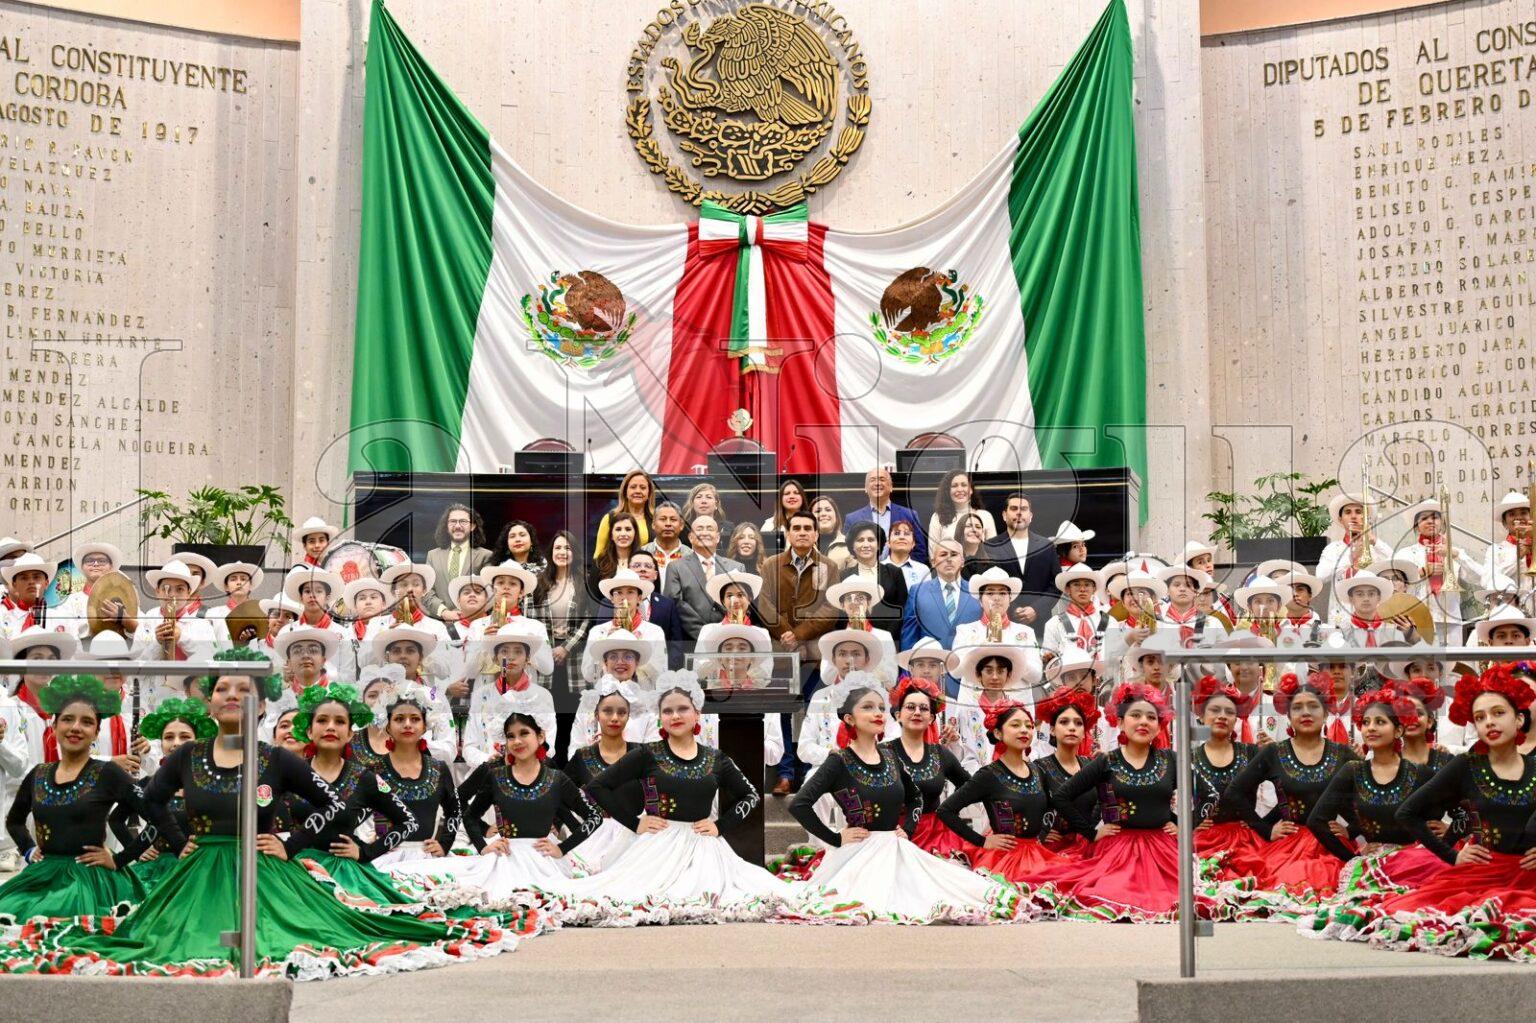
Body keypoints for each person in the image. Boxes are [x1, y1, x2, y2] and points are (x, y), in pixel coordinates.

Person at [5, 652, 525, 978]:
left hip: (265, 872)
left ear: (258, 704)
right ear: (210, 703)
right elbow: (151, 802)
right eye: (222, 689)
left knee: (296, 939)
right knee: (170, 943)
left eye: (242, 690)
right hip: (198, 874)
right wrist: (175, 837)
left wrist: (292, 843)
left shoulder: (278, 759)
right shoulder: (186, 757)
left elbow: (330, 805)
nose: (232, 696)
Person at [1320, 665, 1536, 959]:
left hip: (1529, 875)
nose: (1489, 722)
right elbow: (1408, 813)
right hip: (1481, 872)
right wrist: (1452, 854)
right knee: (1423, 918)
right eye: (1480, 717)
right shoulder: (1466, 766)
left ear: (1519, 718)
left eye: (1499, 713)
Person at [533, 675, 786, 924]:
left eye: (682, 709)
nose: (675, 716)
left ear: (697, 714)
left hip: (704, 847)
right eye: (668, 711)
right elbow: (598, 786)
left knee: (725, 895)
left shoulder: (716, 758)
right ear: (660, 718)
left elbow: (751, 795)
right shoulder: (648, 754)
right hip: (657, 845)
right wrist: (634, 823)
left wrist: (720, 826)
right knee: (627, 895)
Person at [782, 681, 1019, 924]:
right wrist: (835, 838)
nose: (877, 713)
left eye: (880, 707)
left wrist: (907, 830)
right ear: (849, 719)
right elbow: (798, 804)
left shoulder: (889, 756)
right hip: (859, 849)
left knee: (950, 890)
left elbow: (915, 795)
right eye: (867, 707)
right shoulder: (839, 760)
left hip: (896, 844)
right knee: (867, 900)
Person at [1015, 683, 1190, 921]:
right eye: (1135, 715)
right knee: (1111, 893)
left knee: (1183, 897)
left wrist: (1181, 823)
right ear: (1119, 722)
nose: (1144, 722)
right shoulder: (1107, 761)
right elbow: (1061, 797)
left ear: (1159, 726)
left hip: (1163, 847)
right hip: (1118, 847)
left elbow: (1206, 794)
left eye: (1151, 717)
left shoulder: (1170, 759)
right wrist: (1090, 833)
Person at [396, 713, 601, 907]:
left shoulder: (556, 778)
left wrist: (562, 848)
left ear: (540, 736)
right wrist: (483, 846)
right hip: (505, 857)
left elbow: (593, 817)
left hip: (544, 860)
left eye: (524, 733)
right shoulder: (496, 775)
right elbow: (470, 815)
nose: (517, 741)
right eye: (511, 736)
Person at [1299, 685, 1447, 938]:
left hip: (1418, 862)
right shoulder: (1353, 771)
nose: (1370, 728)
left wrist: (1448, 831)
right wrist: (1349, 857)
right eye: (1366, 722)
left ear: (1398, 730)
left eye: (1380, 722)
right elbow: (1317, 820)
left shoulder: (1419, 773)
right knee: (1364, 912)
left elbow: (1464, 808)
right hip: (1373, 861)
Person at [0, 675, 151, 924]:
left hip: (90, 879)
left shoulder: (108, 772)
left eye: (87, 722)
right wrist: (28, 851)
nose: (75, 728)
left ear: (96, 732)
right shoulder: (38, 773)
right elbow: (15, 821)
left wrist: (120, 859)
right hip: (43, 874)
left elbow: (156, 816)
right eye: (68, 719)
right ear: (55, 725)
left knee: (62, 923)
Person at [1219, 670, 1358, 911]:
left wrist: (1352, 829)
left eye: (1313, 707)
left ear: (1325, 713)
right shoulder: (1274, 752)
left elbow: (1369, 799)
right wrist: (1265, 828)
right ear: (1289, 716)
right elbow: (1234, 792)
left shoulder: (1343, 754)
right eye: (1298, 708)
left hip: (1331, 845)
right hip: (1288, 845)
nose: (1305, 713)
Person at [284, 683, 425, 908]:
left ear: (350, 733)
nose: (331, 727)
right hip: (295, 873)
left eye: (339, 722)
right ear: (309, 731)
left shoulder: (364, 778)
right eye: (322, 720)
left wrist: (365, 852)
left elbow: (408, 822)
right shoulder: (290, 774)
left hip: (345, 876)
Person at [936, 700, 1067, 880]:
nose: (1024, 730)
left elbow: (1052, 804)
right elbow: (945, 810)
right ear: (998, 733)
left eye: (1029, 726)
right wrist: (983, 841)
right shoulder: (988, 775)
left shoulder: (1038, 770)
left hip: (1038, 854)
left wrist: (1043, 833)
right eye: (1015, 725)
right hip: (1005, 860)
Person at [366, 679, 473, 873]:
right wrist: (368, 844)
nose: (407, 724)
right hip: (383, 859)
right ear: (387, 725)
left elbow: (455, 810)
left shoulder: (439, 769)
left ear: (425, 725)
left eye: (415, 719)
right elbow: (357, 813)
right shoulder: (375, 770)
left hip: (426, 858)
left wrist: (444, 844)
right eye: (399, 719)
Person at [128, 697, 216, 894]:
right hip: (156, 872)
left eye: (185, 736)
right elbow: (116, 820)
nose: (176, 743)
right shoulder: (149, 784)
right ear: (161, 742)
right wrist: (137, 849)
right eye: (169, 737)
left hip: (202, 870)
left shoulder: (214, 784)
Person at [561, 678, 643, 875]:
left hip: (634, 839)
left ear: (628, 716)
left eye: (621, 712)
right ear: (596, 715)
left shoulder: (642, 754)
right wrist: (570, 825)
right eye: (607, 711)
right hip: (592, 840)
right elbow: (557, 794)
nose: (615, 718)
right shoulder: (583, 756)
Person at [1187, 675, 1267, 873]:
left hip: (1246, 841)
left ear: (1236, 719)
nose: (1222, 716)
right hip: (1203, 841)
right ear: (1201, 716)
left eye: (1229, 712)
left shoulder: (1251, 753)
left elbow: (1285, 786)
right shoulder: (1188, 758)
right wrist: (1191, 821)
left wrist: (1265, 824)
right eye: (1215, 710)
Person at [886, 676, 972, 860]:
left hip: (936, 837)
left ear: (931, 718)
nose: (917, 712)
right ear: (898, 715)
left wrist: (950, 810)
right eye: (910, 707)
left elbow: (970, 785)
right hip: (892, 835)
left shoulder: (940, 753)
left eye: (923, 708)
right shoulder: (882, 753)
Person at [460, 620, 558, 774]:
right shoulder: (481, 695)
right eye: (504, 651)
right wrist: (491, 760)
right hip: (489, 773)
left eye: (518, 651)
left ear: (527, 659)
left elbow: (549, 745)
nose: (511, 657)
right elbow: (469, 747)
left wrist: (522, 760)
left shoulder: (542, 696)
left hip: (530, 773)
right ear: (495, 658)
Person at [757, 510, 838, 688]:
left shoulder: (829, 566)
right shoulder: (771, 564)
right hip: (780, 649)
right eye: (797, 528)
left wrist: (799, 636)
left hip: (815, 652)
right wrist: (791, 640)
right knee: (782, 710)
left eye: (808, 528)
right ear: (788, 533)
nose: (802, 532)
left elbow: (830, 608)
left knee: (814, 706)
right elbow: (764, 605)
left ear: (816, 534)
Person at [131, 559, 218, 709]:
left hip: (187, 702)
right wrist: (157, 644)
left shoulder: (202, 625)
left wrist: (182, 638)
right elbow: (135, 671)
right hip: (152, 702)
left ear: (189, 593)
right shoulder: (147, 622)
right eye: (166, 588)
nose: (172, 595)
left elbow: (211, 665)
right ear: (156, 591)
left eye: (179, 589)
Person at [1396, 497, 1485, 643]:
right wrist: (1422, 572)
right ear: (1416, 526)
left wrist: (1457, 555)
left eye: (1435, 517)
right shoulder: (1405, 554)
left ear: (1442, 523)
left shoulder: (1455, 553)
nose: (1430, 521)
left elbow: (1480, 577)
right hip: (1418, 621)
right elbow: (1396, 588)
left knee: (1451, 664)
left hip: (1451, 621)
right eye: (1424, 518)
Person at [1032, 688, 1101, 860]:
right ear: (1052, 730)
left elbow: (1107, 804)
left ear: (1085, 730)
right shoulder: (1039, 768)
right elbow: (1023, 807)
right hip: (1051, 851)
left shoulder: (1093, 767)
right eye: (1064, 722)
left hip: (1088, 847)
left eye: (1078, 723)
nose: (1072, 727)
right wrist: (1040, 833)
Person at [979, 493, 1056, 635]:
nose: (1019, 513)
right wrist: (1012, 609)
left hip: (1041, 624)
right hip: (1001, 622)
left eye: (1024, 509)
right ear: (1004, 515)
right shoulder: (989, 546)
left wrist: (1036, 609)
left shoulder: (1047, 546)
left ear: (1030, 515)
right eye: (1014, 508)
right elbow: (987, 586)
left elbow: (1055, 584)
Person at [661, 515, 744, 642]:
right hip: (690, 642)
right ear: (690, 537)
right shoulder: (676, 567)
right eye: (699, 529)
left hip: (729, 639)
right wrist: (706, 635)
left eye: (709, 529)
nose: (704, 532)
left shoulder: (737, 568)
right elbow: (676, 604)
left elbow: (742, 603)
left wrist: (725, 632)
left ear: (718, 537)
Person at [525, 530, 592, 683]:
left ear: (574, 552)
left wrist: (566, 647)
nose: (562, 552)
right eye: (558, 548)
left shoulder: (584, 581)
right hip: (543, 650)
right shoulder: (537, 582)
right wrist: (546, 649)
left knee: (573, 702)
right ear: (551, 552)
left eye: (567, 548)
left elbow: (587, 620)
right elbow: (530, 619)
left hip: (574, 651)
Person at [1315, 492, 1393, 626]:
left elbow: (1396, 564)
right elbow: (1321, 575)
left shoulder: (1377, 547)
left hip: (1374, 616)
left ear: (1366, 517)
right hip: (1342, 614)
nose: (1353, 516)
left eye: (1358, 511)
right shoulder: (1333, 548)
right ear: (1340, 519)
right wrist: (1351, 559)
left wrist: (1374, 541)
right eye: (1348, 512)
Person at [581, 569, 667, 685]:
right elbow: (588, 675)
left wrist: (636, 645)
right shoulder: (598, 632)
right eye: (618, 593)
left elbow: (661, 677)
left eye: (630, 592)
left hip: (643, 698)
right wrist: (604, 643)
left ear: (639, 598)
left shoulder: (654, 632)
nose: (624, 598)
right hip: (609, 699)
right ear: (611, 598)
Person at [900, 539, 981, 660]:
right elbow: (909, 637)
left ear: (963, 561)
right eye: (943, 554)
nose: (949, 559)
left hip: (968, 673)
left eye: (954, 554)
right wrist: (907, 674)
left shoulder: (978, 592)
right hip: (929, 673)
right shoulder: (917, 592)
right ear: (933, 562)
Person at [840, 522, 909, 650]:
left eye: (871, 540)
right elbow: (841, 613)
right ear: (853, 547)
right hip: (854, 644)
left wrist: (885, 638)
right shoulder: (844, 576)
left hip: (889, 643)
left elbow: (903, 609)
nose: (866, 544)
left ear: (879, 545)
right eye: (860, 540)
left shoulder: (894, 573)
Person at [844, 467, 927, 565]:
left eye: (882, 479)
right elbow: (848, 552)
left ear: (891, 487)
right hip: (866, 574)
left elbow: (919, 550)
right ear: (865, 488)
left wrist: (904, 570)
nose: (877, 483)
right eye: (873, 480)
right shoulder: (852, 519)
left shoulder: (910, 515)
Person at [426, 504, 493, 611]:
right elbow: (427, 590)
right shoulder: (432, 555)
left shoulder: (485, 556)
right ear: (446, 526)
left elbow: (489, 591)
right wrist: (443, 612)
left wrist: (464, 612)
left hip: (472, 621)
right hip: (438, 621)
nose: (457, 526)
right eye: (453, 521)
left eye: (463, 521)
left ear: (472, 526)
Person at [622, 551, 683, 666]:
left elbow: (676, 645)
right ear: (627, 571)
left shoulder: (667, 605)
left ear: (655, 575)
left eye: (648, 566)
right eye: (637, 565)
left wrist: (665, 673)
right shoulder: (611, 603)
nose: (642, 569)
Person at [55, 541, 126, 639]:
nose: (95, 564)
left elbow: (143, 630)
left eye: (102, 561)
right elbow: (65, 634)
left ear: (111, 567)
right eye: (89, 561)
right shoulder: (69, 602)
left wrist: (124, 620)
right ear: (82, 567)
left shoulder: (124, 598)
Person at [1040, 563, 1106, 663]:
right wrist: (1048, 658)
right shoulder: (1054, 624)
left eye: (1087, 585)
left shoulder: (1108, 621)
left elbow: (1115, 659)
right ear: (1067, 589)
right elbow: (1049, 663)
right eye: (1076, 584)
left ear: (1094, 589)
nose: (1082, 589)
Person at [593, 470, 655, 559]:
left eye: (643, 487)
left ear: (649, 493)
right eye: (633, 487)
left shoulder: (656, 519)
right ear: (625, 491)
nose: (638, 491)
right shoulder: (610, 518)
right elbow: (599, 555)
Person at [928, 469, 996, 545]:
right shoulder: (937, 517)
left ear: (971, 490)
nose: (959, 489)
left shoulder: (985, 516)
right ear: (948, 491)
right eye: (954, 486)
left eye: (964, 485)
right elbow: (934, 553)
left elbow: (993, 552)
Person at [1482, 489, 1532, 587]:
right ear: (1504, 522)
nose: (1518, 518)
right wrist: (1518, 557)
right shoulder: (1495, 550)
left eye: (1523, 513)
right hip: (1513, 601)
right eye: (1512, 514)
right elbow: (1488, 580)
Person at [588, 510, 642, 594]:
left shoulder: (643, 561)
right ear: (611, 535)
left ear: (635, 534)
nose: (623, 533)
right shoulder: (600, 562)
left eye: (628, 529)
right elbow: (592, 597)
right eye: (618, 529)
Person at [641, 501, 689, 591]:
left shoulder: (691, 556)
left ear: (681, 525)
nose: (668, 524)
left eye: (673, 519)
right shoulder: (642, 553)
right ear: (653, 524)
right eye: (663, 519)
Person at [809, 495, 851, 574]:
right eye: (818, 511)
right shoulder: (801, 545)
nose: (823, 514)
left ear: (836, 516)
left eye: (828, 510)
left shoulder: (850, 544)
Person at [884, 520, 931, 589]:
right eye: (897, 533)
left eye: (906, 534)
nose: (902, 537)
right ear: (888, 543)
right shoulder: (876, 569)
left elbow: (926, 598)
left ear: (913, 544)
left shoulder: (923, 570)